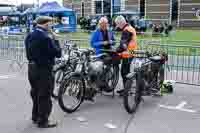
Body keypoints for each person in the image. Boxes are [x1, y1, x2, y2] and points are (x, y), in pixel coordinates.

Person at [25, 16, 61, 128]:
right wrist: (55, 39)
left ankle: (35, 116)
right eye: (50, 24)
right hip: (43, 69)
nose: (51, 26)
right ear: (46, 24)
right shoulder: (45, 37)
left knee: (35, 93)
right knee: (44, 95)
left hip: (32, 68)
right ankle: (43, 121)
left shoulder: (30, 35)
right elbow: (57, 53)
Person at [114, 15, 138, 96]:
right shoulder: (130, 28)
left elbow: (123, 45)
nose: (118, 27)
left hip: (127, 55)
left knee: (124, 73)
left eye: (117, 24)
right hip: (131, 53)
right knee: (126, 72)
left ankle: (126, 91)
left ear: (120, 23)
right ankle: (126, 89)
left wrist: (116, 51)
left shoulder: (126, 31)